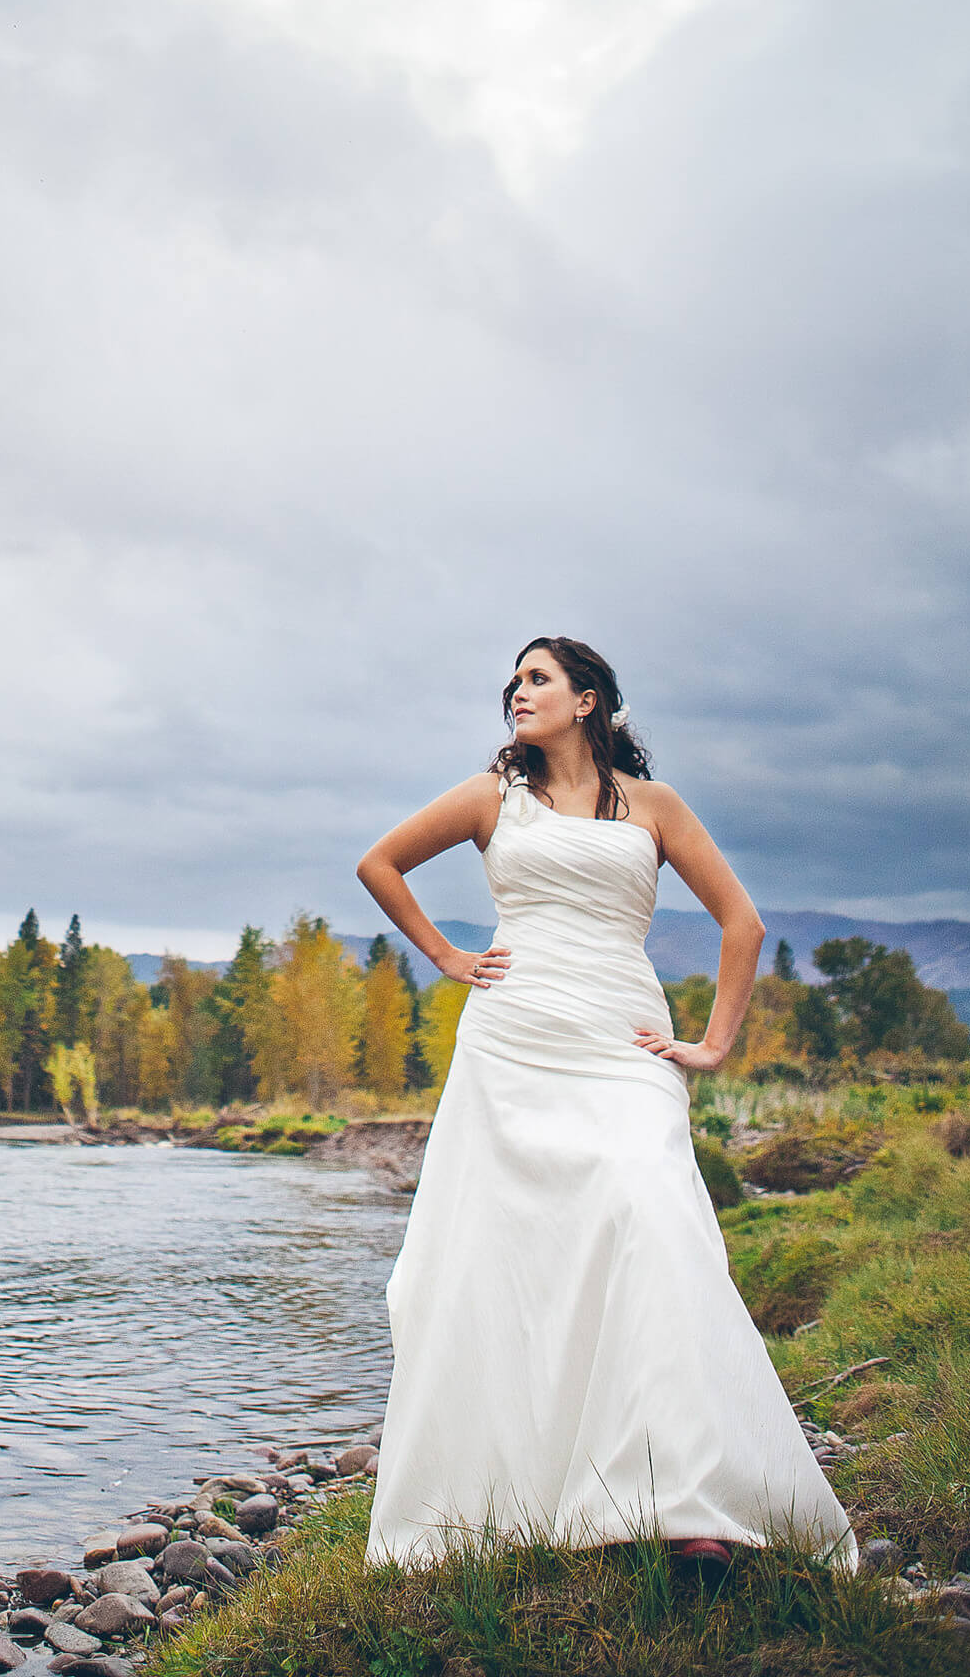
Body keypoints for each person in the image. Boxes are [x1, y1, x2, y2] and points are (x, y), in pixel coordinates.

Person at [355, 634, 854, 1568]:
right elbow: (378, 864)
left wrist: (712, 1044)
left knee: (648, 1210)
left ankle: (685, 1497)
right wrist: (449, 957)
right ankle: (537, 1489)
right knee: (512, 1252)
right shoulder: (486, 798)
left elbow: (742, 923)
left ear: (588, 700)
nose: (518, 691)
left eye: (537, 677)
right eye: (513, 680)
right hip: (516, 1042)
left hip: (624, 1041)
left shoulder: (654, 807)